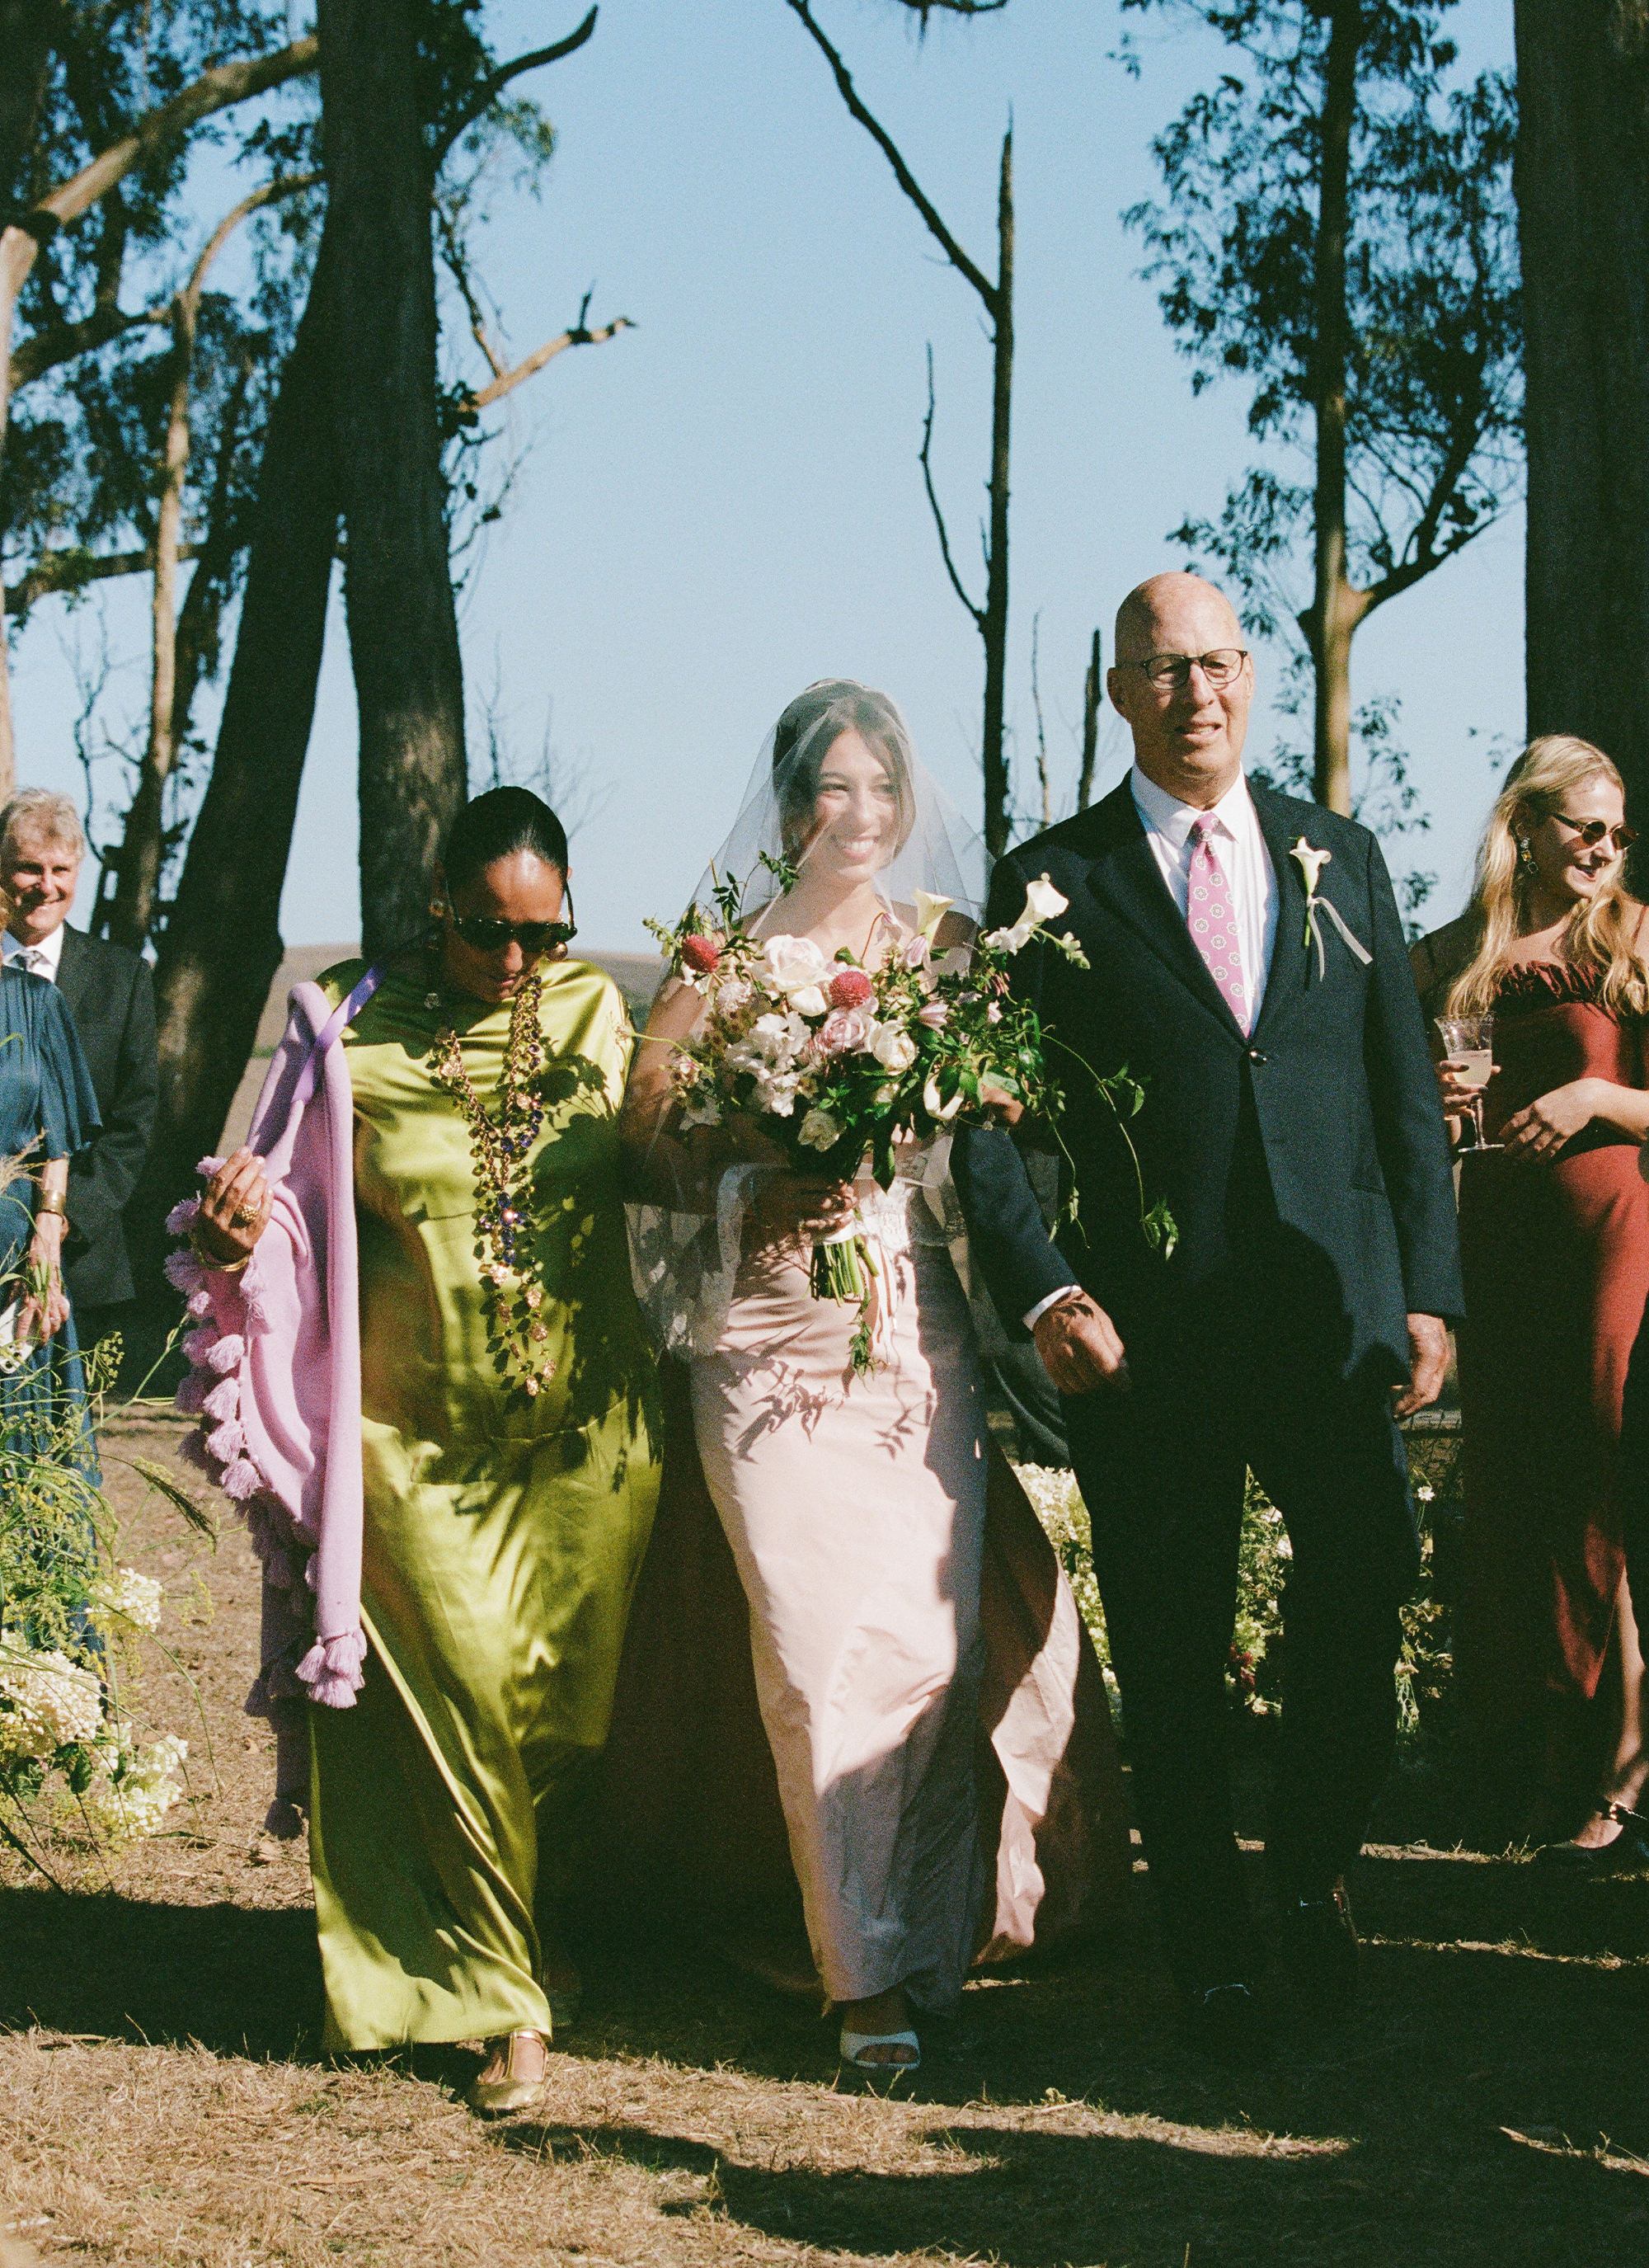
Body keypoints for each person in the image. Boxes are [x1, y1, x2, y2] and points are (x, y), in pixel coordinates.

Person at [951, 572, 1462, 2060]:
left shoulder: (1341, 857)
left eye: (1221, 663)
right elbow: (984, 1120)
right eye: (1166, 670)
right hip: (1148, 1340)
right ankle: (1212, 1956)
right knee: (1172, 1655)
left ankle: (1309, 1868)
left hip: (1325, 1317)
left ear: (1252, 676)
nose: (1200, 695)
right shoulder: (1053, 882)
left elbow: (1403, 1088)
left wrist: (1429, 1287)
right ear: (1120, 692)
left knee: (1364, 1580)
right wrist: (1048, 1286)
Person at [618, 681, 1132, 2081]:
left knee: (928, 1652)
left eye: (883, 788)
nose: (861, 813)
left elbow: (989, 1134)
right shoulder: (725, 957)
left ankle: (926, 1944)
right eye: (834, 788)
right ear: (792, 806)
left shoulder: (942, 951)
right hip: (767, 1343)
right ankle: (860, 1977)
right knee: (810, 1651)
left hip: (913, 1342)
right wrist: (750, 1165)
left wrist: (991, 1102)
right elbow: (645, 1138)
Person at [171, 788, 661, 2112]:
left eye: (545, 934)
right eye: (489, 930)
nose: (516, 960)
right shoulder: (345, 1018)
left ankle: (518, 1933)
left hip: (593, 1440)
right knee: (463, 1709)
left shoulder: (596, 1016)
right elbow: (279, 1199)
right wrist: (234, 1232)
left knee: (562, 1723)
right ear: (437, 902)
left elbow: (661, 1170)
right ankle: (508, 2010)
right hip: (412, 1445)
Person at [1412, 736, 1649, 1859]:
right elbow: (1382, 1062)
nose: (1603, 848)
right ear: (1524, 825)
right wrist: (1433, 1096)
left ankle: (1611, 1768)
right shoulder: (1460, 951)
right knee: (1511, 1476)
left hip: (1611, 1232)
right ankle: (1514, 1759)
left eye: (1617, 831)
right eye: (1582, 826)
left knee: (1597, 1472)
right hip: (1500, 1236)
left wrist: (1599, 1095)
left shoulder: (1634, 935)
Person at [0, 789, 157, 1367]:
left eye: (60, 870)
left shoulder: (122, 977)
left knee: (56, 1423)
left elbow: (133, 1124)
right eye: (28, 867)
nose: (45, 886)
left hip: (79, 1266)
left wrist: (58, 1221)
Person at [0, 942, 101, 1485]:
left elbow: (57, 1140)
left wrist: (47, 1236)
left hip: (14, 1253)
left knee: (22, 1428)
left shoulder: (35, 1001)